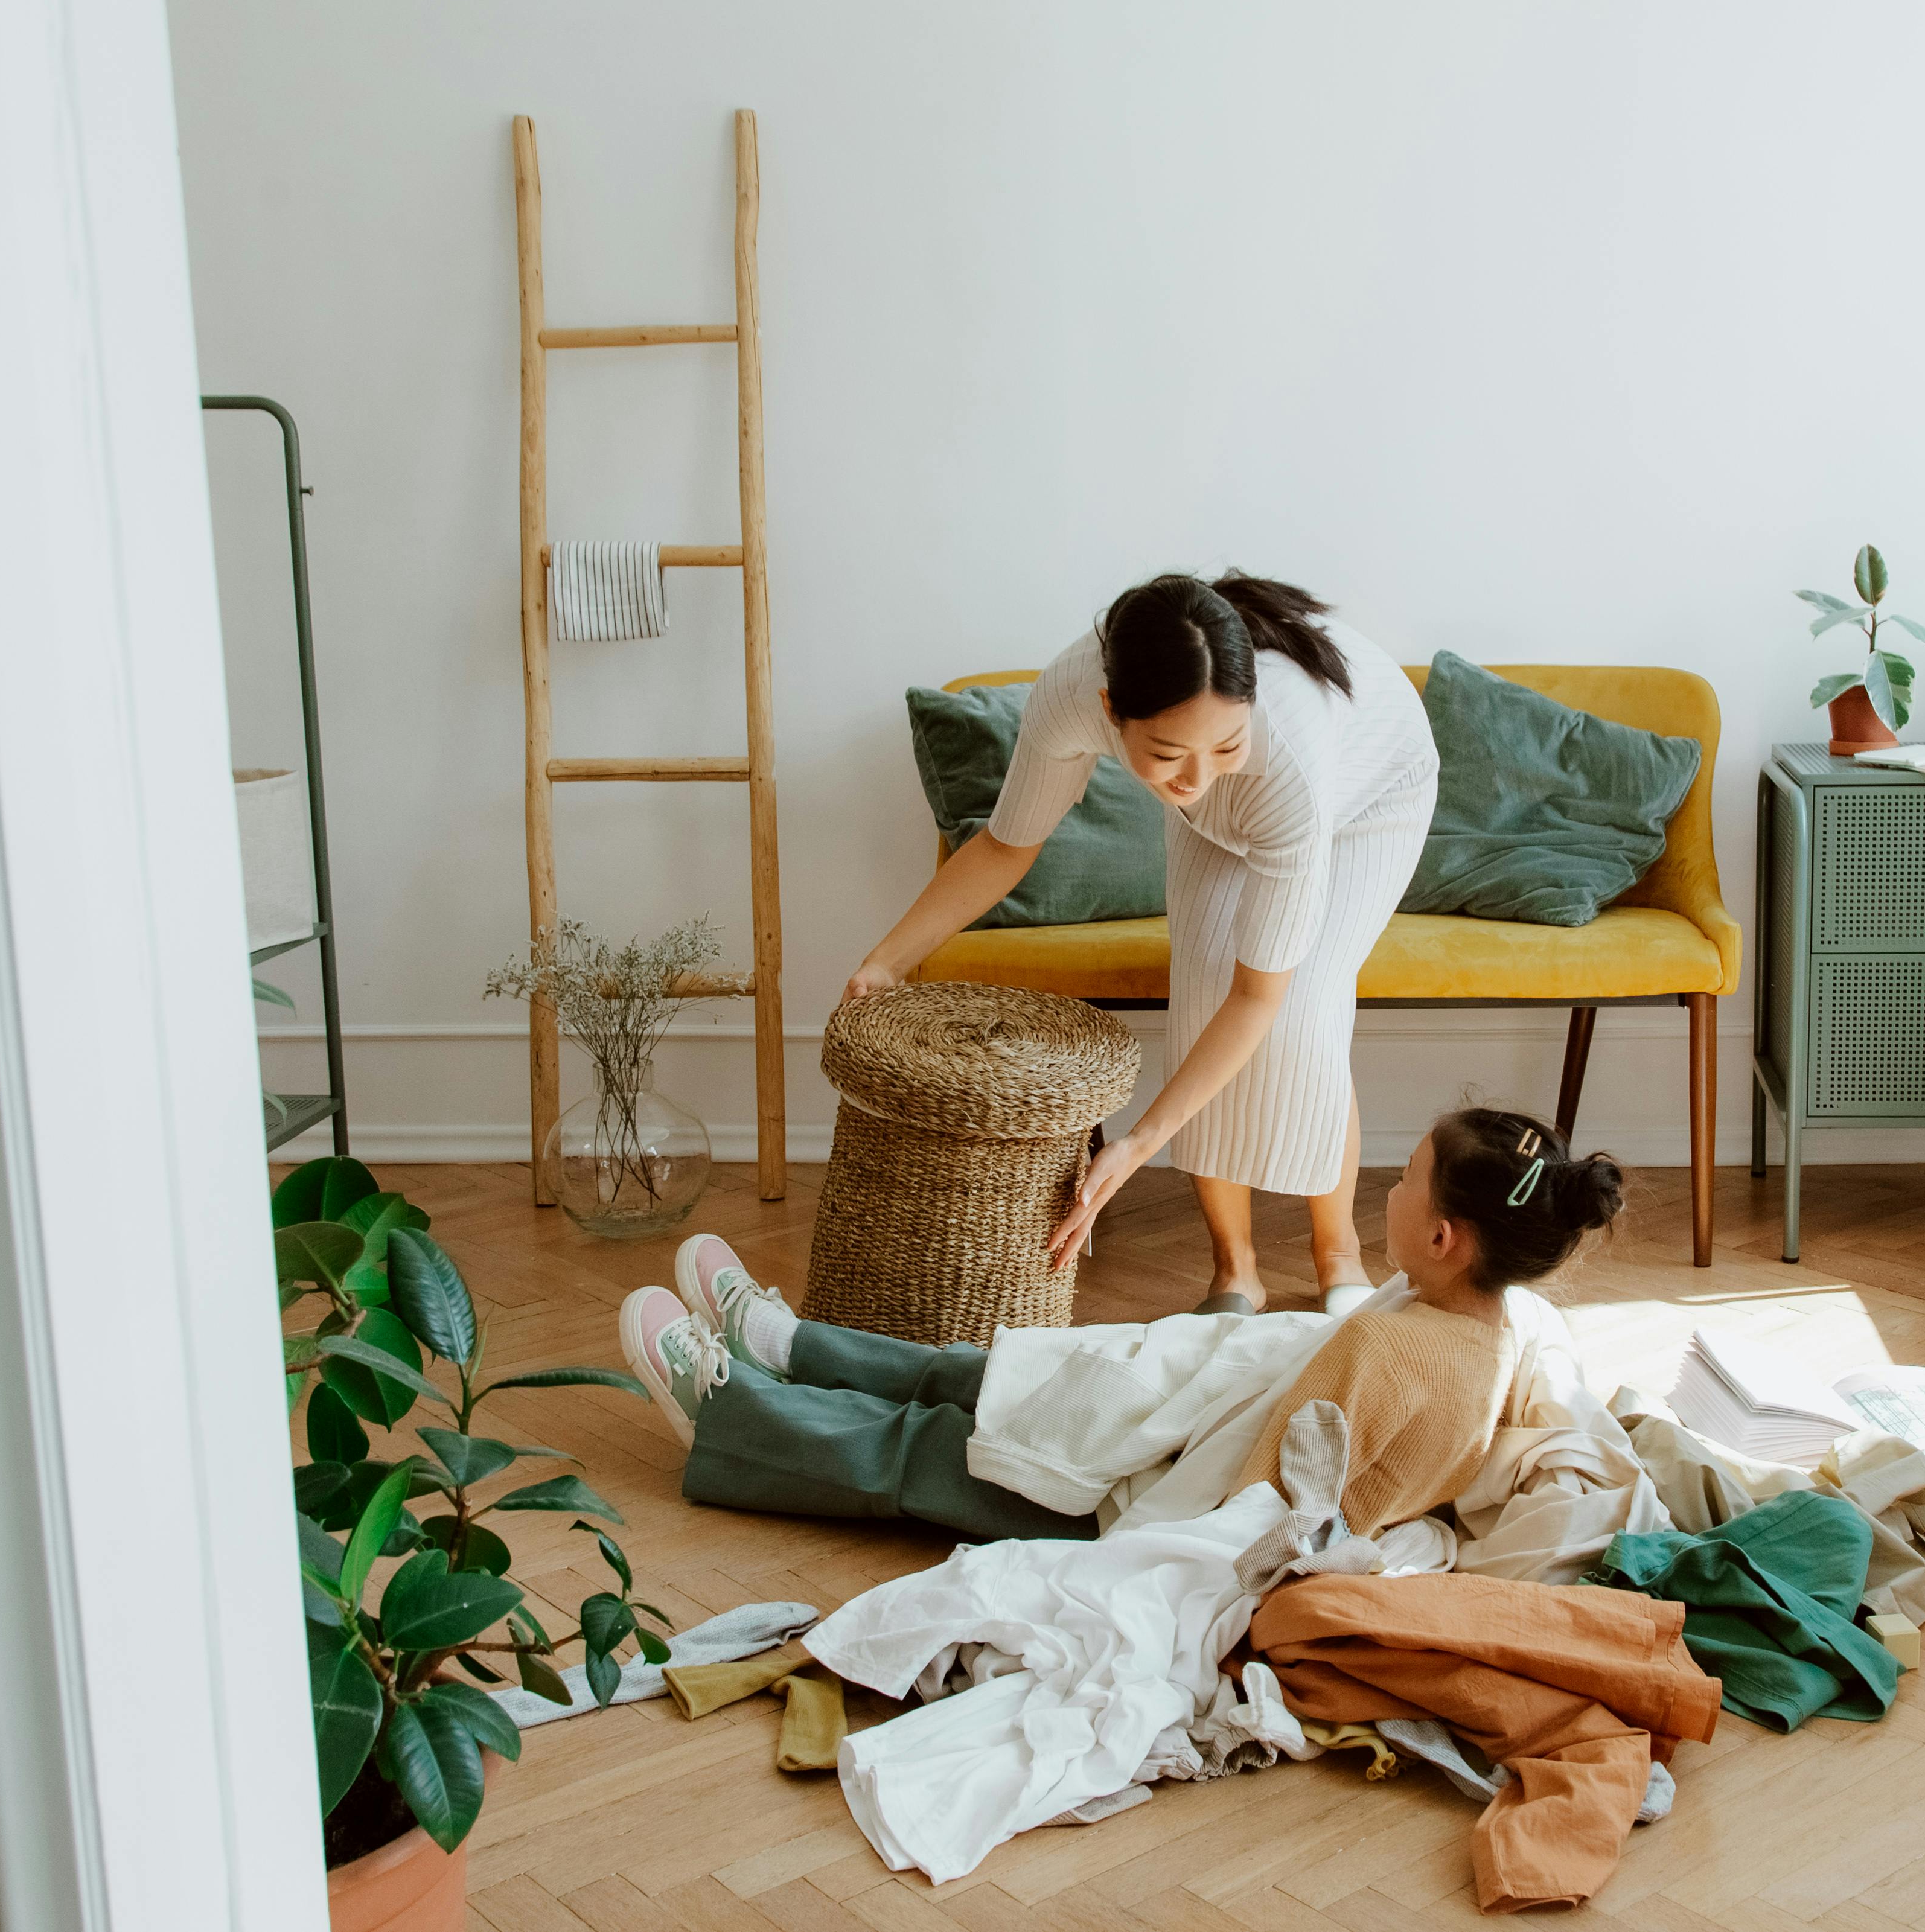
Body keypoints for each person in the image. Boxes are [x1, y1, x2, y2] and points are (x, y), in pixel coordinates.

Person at [614, 1107, 1626, 1543]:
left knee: (930, 1451)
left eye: (1404, 1178)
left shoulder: (1398, 1348)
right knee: (976, 1373)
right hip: (1180, 1388)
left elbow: (1259, 1498)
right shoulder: (1498, 1314)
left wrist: (1137, 1486)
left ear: (1445, 1237)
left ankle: (734, 1416)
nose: (1388, 1186)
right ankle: (787, 1345)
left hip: (1140, 1487)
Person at [844, 572, 1437, 1315]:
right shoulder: (1070, 694)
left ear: (1248, 709)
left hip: (1366, 795)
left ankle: (1336, 1253)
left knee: (1305, 1008)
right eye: (1165, 754)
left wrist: (1137, 1143)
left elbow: (1260, 997)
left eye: (1224, 742)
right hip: (1247, 803)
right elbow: (1005, 845)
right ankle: (1234, 1270)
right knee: (1199, 989)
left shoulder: (1285, 760)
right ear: (1109, 712)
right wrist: (884, 960)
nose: (1194, 779)